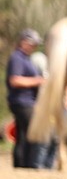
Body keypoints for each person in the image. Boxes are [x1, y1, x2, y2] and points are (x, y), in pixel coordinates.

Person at [6, 29, 46, 169]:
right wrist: (39, 81)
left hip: (26, 101)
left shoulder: (24, 58)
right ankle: (30, 165)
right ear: (24, 42)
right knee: (32, 133)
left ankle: (21, 166)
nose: (34, 47)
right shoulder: (17, 58)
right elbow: (15, 80)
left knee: (23, 135)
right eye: (33, 44)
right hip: (22, 102)